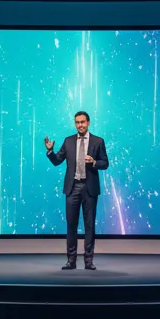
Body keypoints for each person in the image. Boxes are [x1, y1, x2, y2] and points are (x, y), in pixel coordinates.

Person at [44, 110, 109, 270]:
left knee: (89, 226)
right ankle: (71, 261)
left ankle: (89, 261)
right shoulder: (68, 141)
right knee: (71, 225)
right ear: (75, 124)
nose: (80, 125)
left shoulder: (98, 141)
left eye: (82, 122)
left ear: (88, 123)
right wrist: (51, 152)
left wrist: (94, 162)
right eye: (77, 122)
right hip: (72, 188)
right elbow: (57, 161)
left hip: (89, 188)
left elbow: (105, 163)